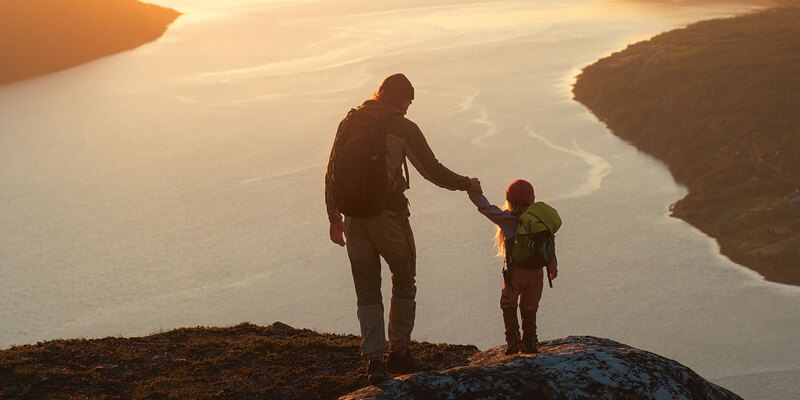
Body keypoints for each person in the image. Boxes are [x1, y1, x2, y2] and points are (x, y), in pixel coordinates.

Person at [324, 73, 480, 384]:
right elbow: (431, 169)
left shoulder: (349, 122)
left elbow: (331, 172)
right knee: (404, 278)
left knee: (366, 289)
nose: (408, 108)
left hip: (354, 219)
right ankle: (399, 353)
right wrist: (466, 184)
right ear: (400, 99)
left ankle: (374, 361)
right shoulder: (403, 127)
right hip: (388, 217)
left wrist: (334, 218)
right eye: (408, 101)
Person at [467, 178, 558, 355]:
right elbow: (548, 246)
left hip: (516, 272)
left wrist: (473, 192)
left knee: (508, 303)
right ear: (531, 199)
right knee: (530, 306)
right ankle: (530, 341)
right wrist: (552, 267)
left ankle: (513, 340)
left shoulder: (507, 218)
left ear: (509, 199)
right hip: (537, 273)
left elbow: (485, 208)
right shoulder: (540, 221)